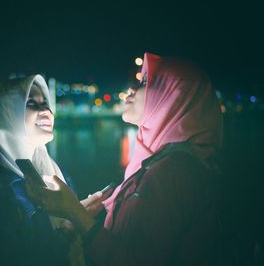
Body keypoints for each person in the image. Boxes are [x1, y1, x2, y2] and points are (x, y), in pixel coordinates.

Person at [26, 53, 223, 265]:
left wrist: (75, 213)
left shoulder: (174, 172)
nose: (132, 89)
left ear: (175, 96)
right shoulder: (160, 163)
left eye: (146, 82)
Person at [0, 75, 83, 266]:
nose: (46, 110)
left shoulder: (55, 175)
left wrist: (80, 213)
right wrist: (72, 226)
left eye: (46, 103)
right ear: (5, 115)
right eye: (31, 104)